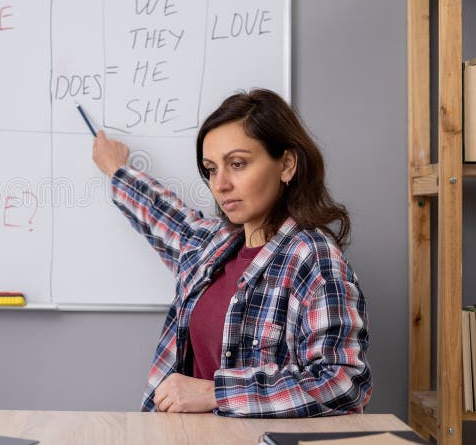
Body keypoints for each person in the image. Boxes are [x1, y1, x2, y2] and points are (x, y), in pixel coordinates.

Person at [91, 89, 371, 417]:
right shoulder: (211, 246)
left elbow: (343, 382)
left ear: (287, 165)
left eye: (237, 164)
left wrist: (216, 392)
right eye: (211, 169)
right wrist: (117, 168)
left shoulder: (312, 260)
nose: (220, 184)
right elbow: (162, 214)